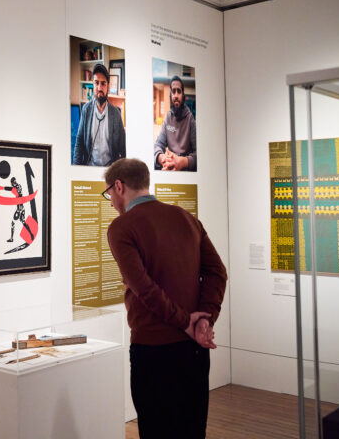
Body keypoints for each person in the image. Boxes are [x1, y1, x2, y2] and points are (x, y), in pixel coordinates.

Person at [103, 158, 227, 439]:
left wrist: (187, 322)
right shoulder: (186, 218)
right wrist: (204, 321)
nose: (111, 201)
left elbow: (143, 287)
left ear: (119, 186)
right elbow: (217, 273)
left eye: (109, 192)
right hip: (195, 349)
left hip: (154, 351)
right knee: (192, 431)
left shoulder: (122, 227)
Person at [73, 63, 126, 166]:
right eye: (96, 83)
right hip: (90, 167)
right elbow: (79, 143)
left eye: (103, 83)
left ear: (108, 86)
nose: (99, 88)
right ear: (93, 84)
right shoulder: (86, 110)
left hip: (110, 169)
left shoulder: (116, 114)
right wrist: (76, 168)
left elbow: (123, 148)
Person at [154, 75, 196, 171]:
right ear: (170, 95)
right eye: (173, 91)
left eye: (179, 91)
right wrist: (163, 159)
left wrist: (183, 162)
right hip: (169, 165)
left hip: (185, 169)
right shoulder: (168, 118)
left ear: (183, 96)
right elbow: (158, 145)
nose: (176, 95)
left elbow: (198, 154)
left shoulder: (190, 119)